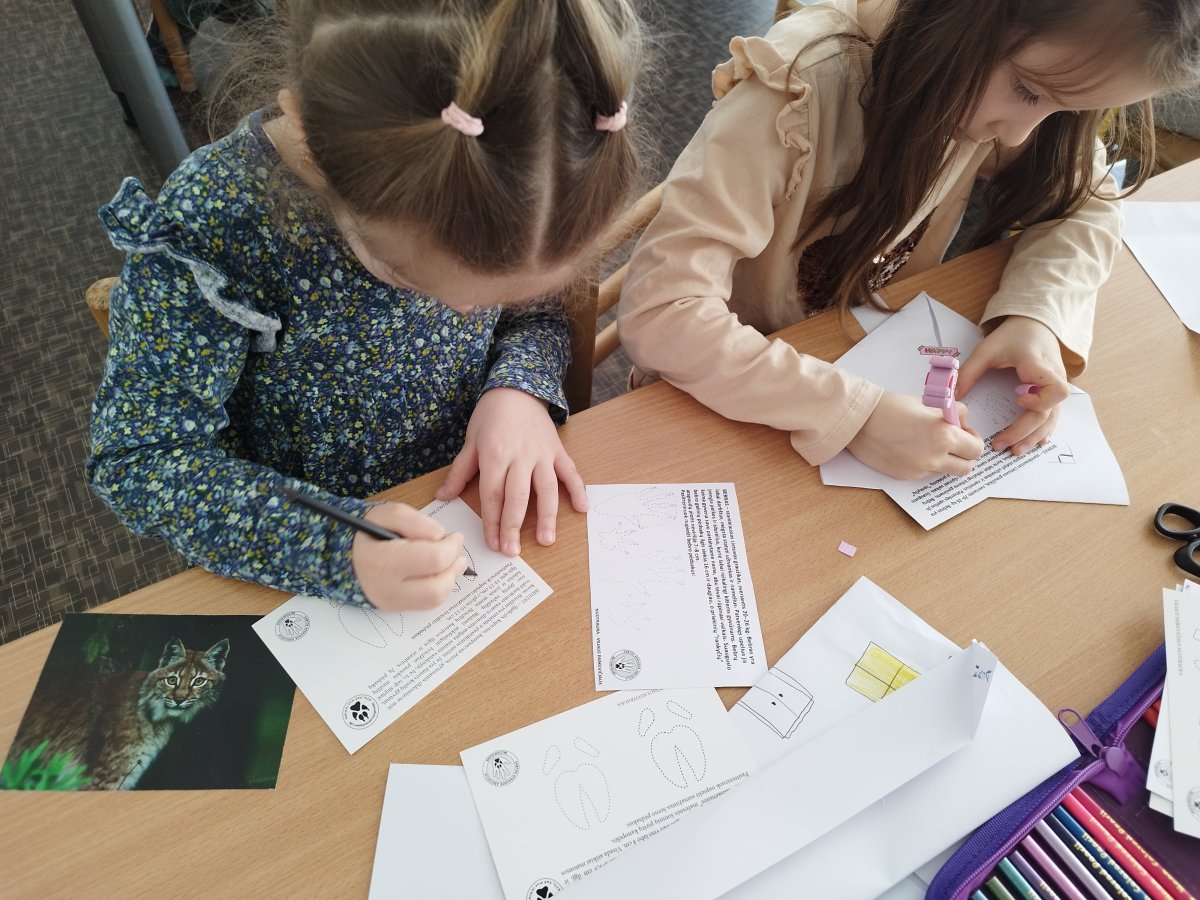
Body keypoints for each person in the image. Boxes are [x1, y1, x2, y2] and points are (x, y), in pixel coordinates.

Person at [88, 0, 643, 611]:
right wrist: (331, 546)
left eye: (499, 294)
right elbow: (140, 459)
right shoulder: (214, 222)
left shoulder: (524, 187)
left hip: (466, 491)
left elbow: (534, 316)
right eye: (412, 278)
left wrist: (518, 388)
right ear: (311, 139)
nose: (467, 311)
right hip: (316, 546)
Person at [618, 0, 1199, 481]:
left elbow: (1086, 201)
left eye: (1066, 110)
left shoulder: (995, 78)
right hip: (715, 398)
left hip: (853, 354)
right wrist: (853, 413)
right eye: (1027, 91)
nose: (1019, 135)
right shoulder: (799, 86)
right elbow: (662, 313)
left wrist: (1038, 316)